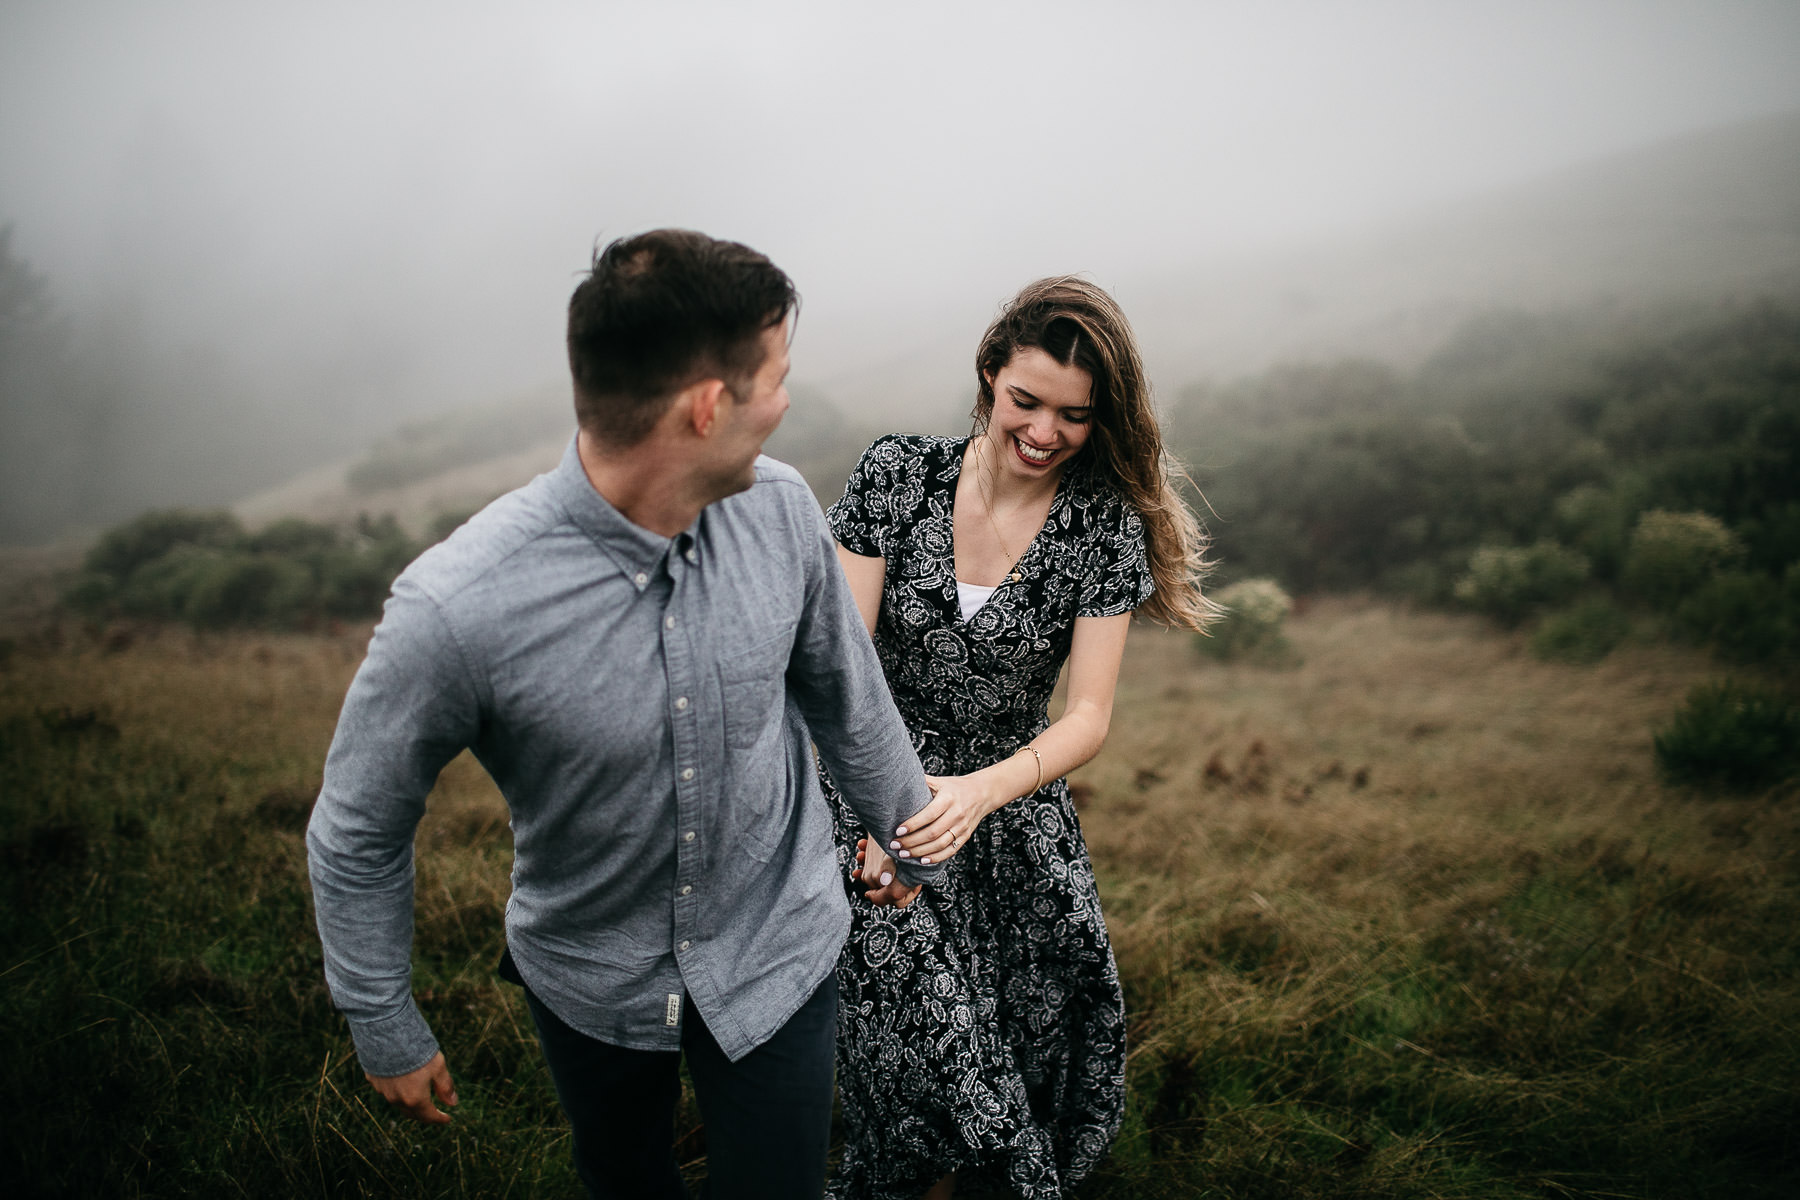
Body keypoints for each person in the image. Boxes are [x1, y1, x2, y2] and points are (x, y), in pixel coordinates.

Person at [305, 229, 950, 1200]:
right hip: (589, 978)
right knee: (624, 1180)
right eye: (776, 379)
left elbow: (843, 693)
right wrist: (380, 1016)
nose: (784, 403)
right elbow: (358, 829)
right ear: (706, 407)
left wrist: (905, 834)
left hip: (782, 944)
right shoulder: (456, 609)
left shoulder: (781, 515)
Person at [821, 277, 1218, 1200]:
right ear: (989, 375)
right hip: (878, 811)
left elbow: (1087, 718)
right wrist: (890, 813)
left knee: (1036, 1069)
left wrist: (977, 794)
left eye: (1074, 417)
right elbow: (845, 682)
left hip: (1013, 819)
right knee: (933, 1082)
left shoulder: (1101, 529)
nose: (1045, 432)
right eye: (1026, 402)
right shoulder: (896, 477)